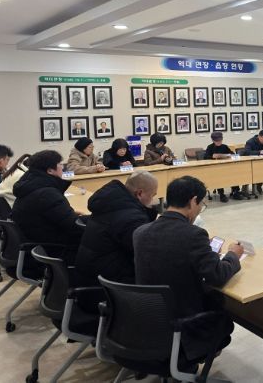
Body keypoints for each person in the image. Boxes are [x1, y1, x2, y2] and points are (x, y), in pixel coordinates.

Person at [133, 176, 243, 363]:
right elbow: (217, 275)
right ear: (193, 201)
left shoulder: (140, 232)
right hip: (183, 327)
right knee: (221, 308)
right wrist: (233, 254)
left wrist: (204, 252)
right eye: (201, 204)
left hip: (147, 323)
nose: (200, 209)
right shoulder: (194, 235)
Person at [76, 171, 159, 285]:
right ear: (139, 193)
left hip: (90, 270)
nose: (153, 201)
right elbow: (146, 253)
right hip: (107, 281)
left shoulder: (110, 203)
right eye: (152, 195)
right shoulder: (132, 218)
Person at [12, 150, 83, 263]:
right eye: (60, 164)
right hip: (53, 251)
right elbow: (74, 226)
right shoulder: (47, 193)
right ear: (50, 170)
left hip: (35, 244)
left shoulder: (30, 185)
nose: (62, 167)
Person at [204, 132, 244, 201]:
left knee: (233, 174)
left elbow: (232, 154)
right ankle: (221, 194)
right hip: (215, 169)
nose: (219, 142)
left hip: (226, 168)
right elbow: (206, 158)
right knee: (218, 176)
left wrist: (225, 155)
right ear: (213, 140)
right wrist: (213, 156)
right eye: (217, 141)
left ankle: (235, 192)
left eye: (220, 140)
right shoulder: (210, 147)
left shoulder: (224, 146)